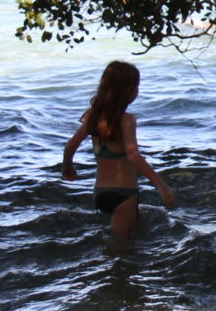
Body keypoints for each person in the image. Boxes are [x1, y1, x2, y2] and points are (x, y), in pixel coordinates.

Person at [62, 61, 175, 238]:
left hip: (100, 194)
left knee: (141, 224)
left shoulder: (92, 117)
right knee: (118, 249)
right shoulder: (126, 120)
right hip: (124, 195)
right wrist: (161, 185)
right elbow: (133, 156)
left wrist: (67, 168)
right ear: (130, 90)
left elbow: (69, 147)